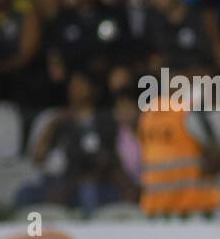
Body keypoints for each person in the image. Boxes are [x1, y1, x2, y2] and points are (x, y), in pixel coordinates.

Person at [17, 70, 134, 215]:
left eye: (80, 85)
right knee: (25, 194)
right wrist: (50, 130)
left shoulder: (107, 121)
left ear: (94, 89)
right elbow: (38, 158)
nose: (74, 89)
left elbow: (112, 161)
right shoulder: (61, 121)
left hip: (102, 183)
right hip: (68, 183)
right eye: (72, 85)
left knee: (88, 191)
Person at [45, 0, 135, 96]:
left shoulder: (115, 15)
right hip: (74, 75)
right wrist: (56, 63)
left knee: (120, 78)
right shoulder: (63, 18)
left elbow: (125, 49)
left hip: (105, 74)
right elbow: (54, 49)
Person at [136, 88, 220, 218]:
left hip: (155, 208)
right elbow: (217, 160)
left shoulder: (148, 113)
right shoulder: (189, 113)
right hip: (195, 209)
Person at [144, 0, 213, 76]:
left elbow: (218, 60)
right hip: (168, 83)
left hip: (203, 80)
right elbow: (153, 62)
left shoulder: (201, 16)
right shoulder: (152, 22)